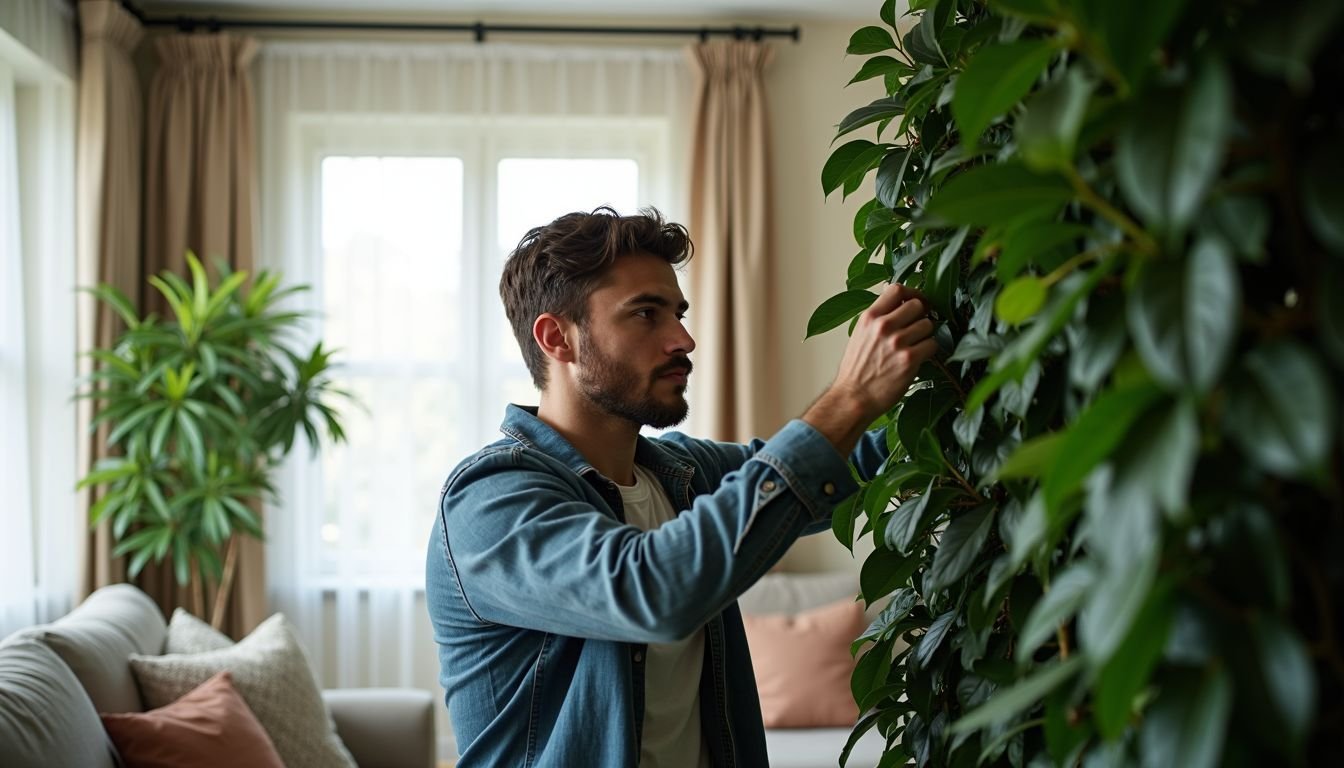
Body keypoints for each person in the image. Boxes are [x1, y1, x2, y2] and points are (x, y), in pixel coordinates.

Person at [425, 206, 937, 767]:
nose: (684, 339)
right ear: (557, 339)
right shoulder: (488, 500)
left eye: (678, 313)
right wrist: (848, 397)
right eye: (646, 314)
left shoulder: (681, 472)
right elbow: (652, 590)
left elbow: (847, 463)